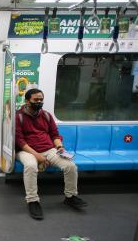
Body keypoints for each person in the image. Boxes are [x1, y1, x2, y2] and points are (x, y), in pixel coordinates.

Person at [15, 88, 87, 220]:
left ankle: (70, 196)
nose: (39, 102)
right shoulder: (18, 117)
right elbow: (20, 141)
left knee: (70, 166)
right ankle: (33, 201)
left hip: (48, 149)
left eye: (41, 99)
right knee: (31, 166)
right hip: (26, 150)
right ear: (27, 101)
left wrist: (59, 146)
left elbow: (54, 134)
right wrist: (38, 156)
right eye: (36, 100)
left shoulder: (46, 115)